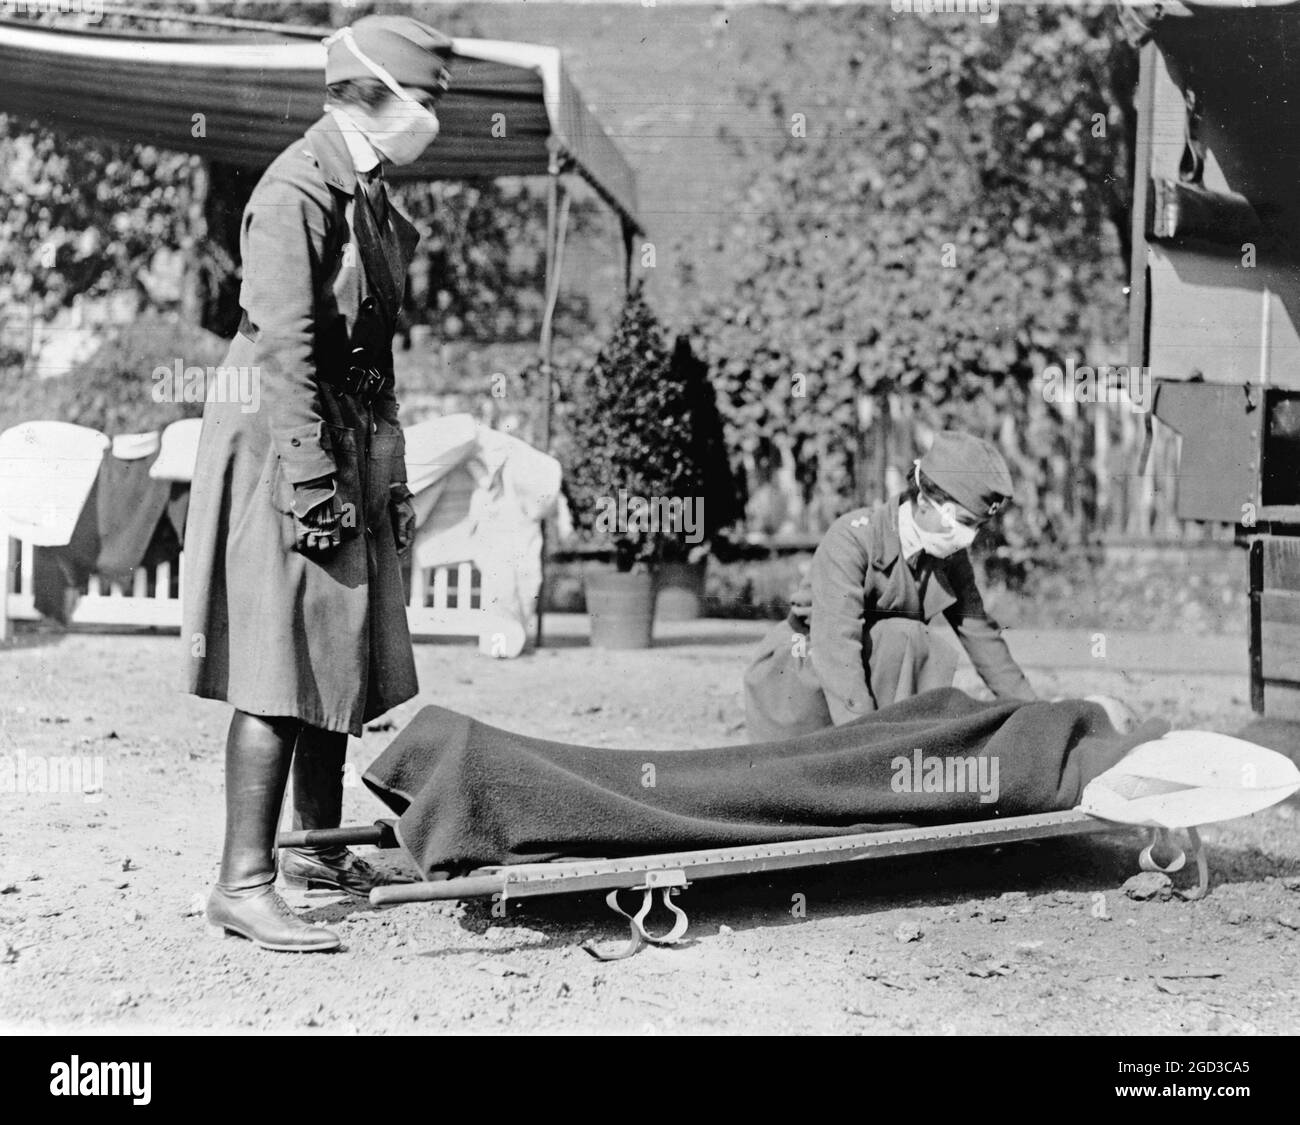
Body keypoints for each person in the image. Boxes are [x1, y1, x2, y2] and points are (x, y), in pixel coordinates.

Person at [182, 16, 454, 951]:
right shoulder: (297, 189)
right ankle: (240, 881)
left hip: (342, 429)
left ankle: (312, 847)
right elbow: (287, 352)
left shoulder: (369, 193)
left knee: (333, 642)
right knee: (277, 656)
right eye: (428, 99)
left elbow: (372, 349)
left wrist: (389, 471)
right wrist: (311, 484)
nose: (434, 120)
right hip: (280, 436)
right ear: (370, 92)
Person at [743, 431, 1037, 743]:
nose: (968, 537)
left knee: (915, 640)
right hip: (802, 676)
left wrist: (1035, 714)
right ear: (924, 501)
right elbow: (836, 645)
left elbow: (981, 635)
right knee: (904, 636)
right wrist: (865, 744)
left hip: (867, 677)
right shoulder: (853, 538)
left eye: (976, 527)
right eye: (962, 522)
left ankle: (899, 748)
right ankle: (881, 752)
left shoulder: (949, 557)